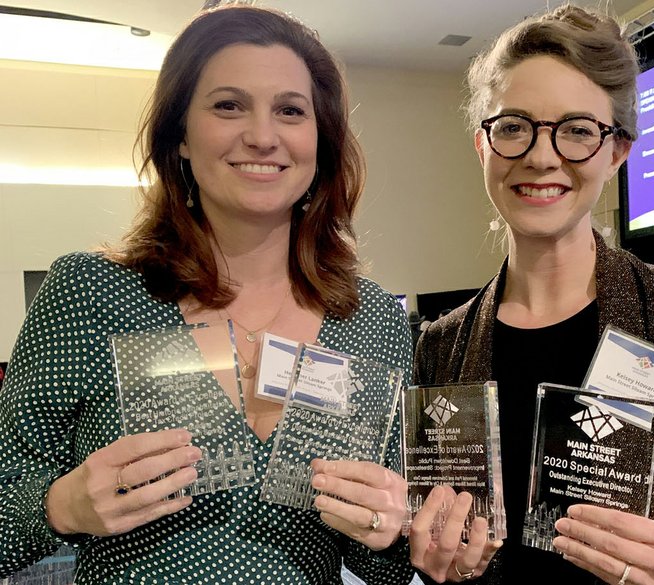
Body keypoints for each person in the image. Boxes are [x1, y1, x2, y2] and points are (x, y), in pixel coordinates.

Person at [0, 5, 415, 584]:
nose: (262, 136)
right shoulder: (92, 292)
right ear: (181, 139)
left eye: (290, 111)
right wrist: (62, 507)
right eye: (228, 105)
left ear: (319, 142)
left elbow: (382, 564)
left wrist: (393, 529)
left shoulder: (370, 319)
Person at [409, 5, 654, 585]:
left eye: (577, 130)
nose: (542, 156)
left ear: (617, 150)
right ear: (482, 146)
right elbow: (430, 529)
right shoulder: (441, 348)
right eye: (514, 126)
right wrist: (430, 547)